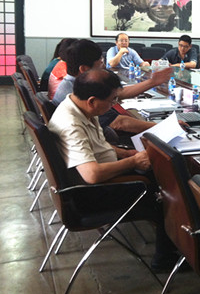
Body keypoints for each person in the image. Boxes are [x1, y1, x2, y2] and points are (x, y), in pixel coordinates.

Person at [48, 69, 177, 271]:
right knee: (167, 191)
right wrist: (133, 162)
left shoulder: (80, 106)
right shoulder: (71, 124)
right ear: (92, 101)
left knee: (159, 172)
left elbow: (97, 146)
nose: (113, 104)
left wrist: (125, 153)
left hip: (98, 177)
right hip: (91, 194)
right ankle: (165, 258)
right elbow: (92, 175)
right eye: (111, 101)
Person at [53, 39, 172, 134]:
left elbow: (119, 93)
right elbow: (119, 123)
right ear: (84, 69)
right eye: (100, 65)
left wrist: (153, 82)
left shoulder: (74, 83)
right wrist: (164, 127)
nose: (104, 68)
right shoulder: (75, 93)